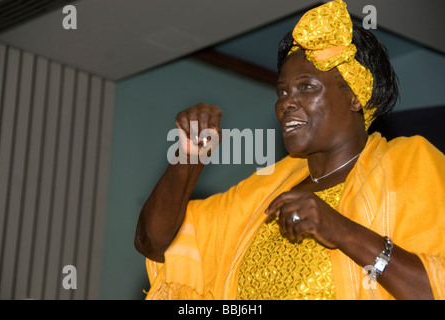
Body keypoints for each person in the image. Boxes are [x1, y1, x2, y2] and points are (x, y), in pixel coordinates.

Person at [134, 0, 445, 300]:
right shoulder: (262, 195)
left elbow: (433, 289)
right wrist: (189, 155)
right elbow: (153, 242)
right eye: (282, 91)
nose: (285, 103)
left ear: (355, 97)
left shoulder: (410, 164)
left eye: (306, 87)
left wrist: (342, 230)